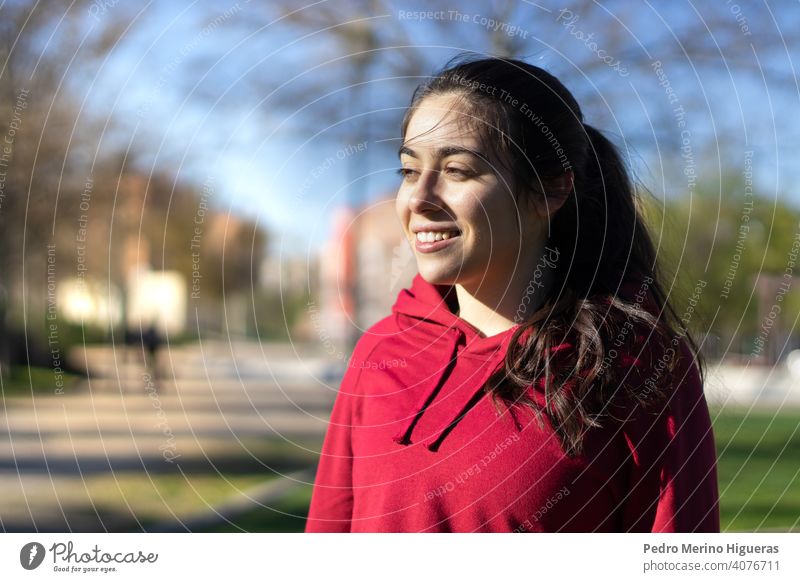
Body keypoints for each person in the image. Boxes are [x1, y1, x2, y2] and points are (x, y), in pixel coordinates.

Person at [305, 56, 720, 533]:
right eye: (408, 170)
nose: (418, 199)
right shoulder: (379, 351)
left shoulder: (638, 368)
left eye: (457, 170)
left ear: (549, 191)